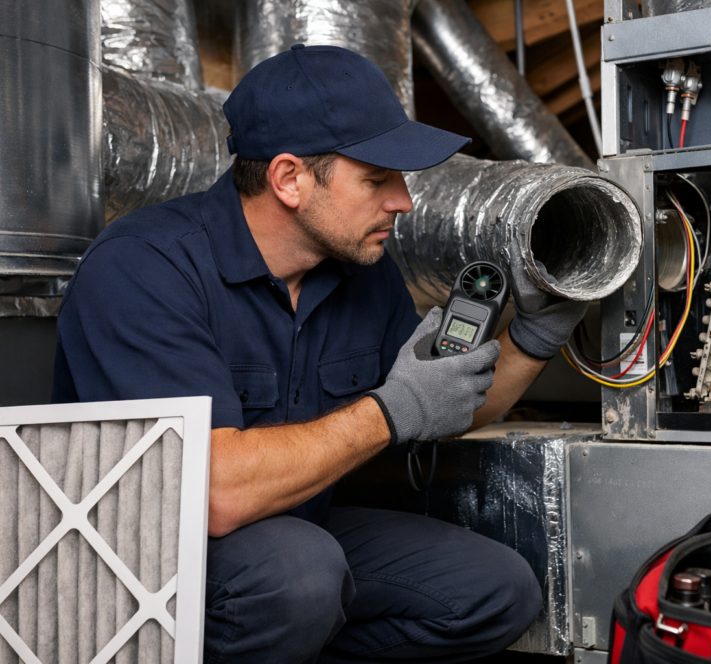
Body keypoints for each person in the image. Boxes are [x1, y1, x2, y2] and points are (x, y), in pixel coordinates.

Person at [53, 45, 587, 663]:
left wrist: (533, 338)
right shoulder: (144, 269)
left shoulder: (365, 272)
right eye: (376, 178)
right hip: (143, 557)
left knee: (495, 589)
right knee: (298, 574)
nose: (403, 202)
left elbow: (439, 399)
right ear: (289, 179)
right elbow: (212, 493)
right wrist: (390, 413)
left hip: (298, 535)